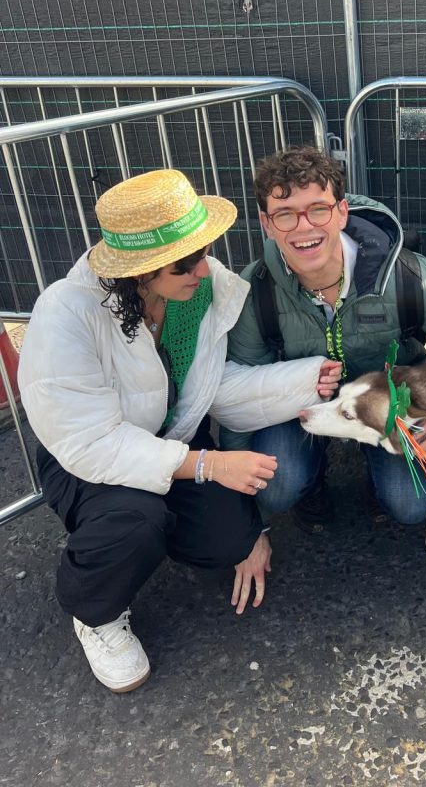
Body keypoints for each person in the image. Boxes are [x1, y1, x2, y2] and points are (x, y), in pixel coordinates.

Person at [18, 169, 340, 693]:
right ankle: (96, 611)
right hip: (84, 459)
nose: (203, 265)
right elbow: (89, 442)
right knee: (135, 518)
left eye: (205, 248)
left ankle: (138, 543)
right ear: (139, 270)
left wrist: (305, 381)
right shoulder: (66, 312)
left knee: (232, 538)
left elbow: (209, 390)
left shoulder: (195, 292)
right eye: (186, 259)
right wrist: (209, 465)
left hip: (169, 445)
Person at [220, 145, 426, 533]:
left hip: (392, 402)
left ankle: (376, 479)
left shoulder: (406, 277)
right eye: (284, 214)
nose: (304, 227)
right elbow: (237, 396)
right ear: (266, 223)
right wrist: (247, 523)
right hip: (296, 405)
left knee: (409, 503)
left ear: (341, 211)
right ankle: (309, 485)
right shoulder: (256, 290)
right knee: (277, 486)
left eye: (318, 209)